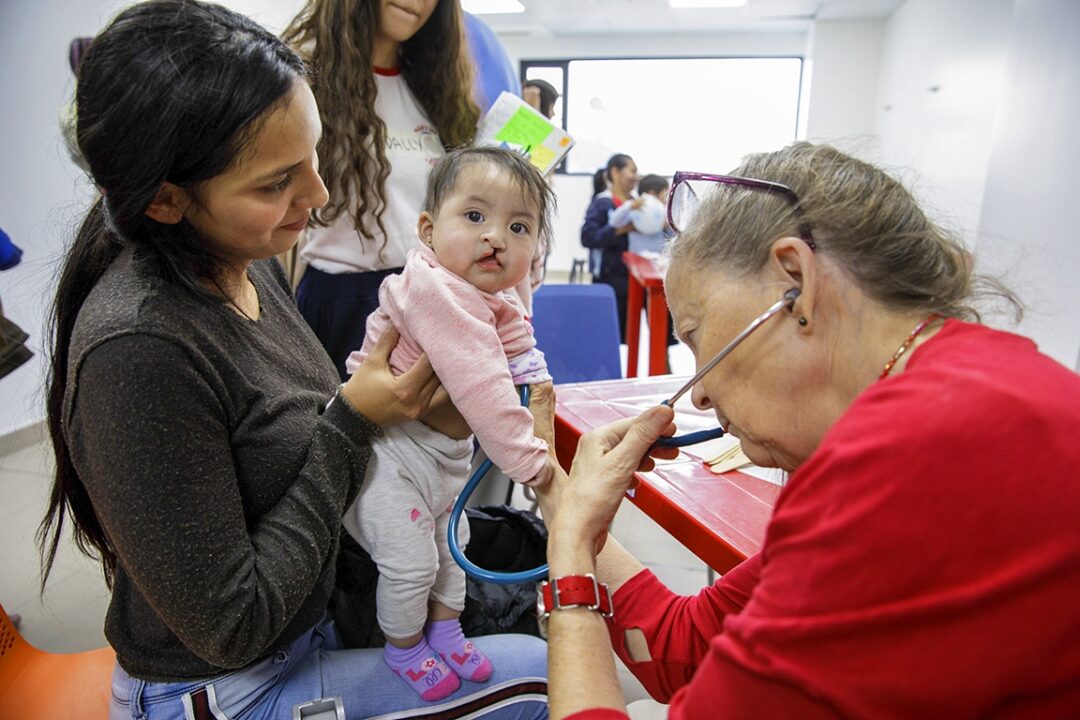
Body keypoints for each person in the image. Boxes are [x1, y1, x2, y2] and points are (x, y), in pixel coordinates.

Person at [37, 3, 548, 718]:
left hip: (310, 626)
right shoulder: (139, 351)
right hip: (233, 685)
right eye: (277, 182)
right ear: (167, 201)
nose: (320, 195)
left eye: (313, 157)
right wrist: (352, 422)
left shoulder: (247, 267)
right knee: (543, 676)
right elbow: (231, 625)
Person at [535, 142, 1080, 718]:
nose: (697, 392)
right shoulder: (968, 388)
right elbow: (682, 650)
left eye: (693, 334)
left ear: (794, 282)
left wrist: (569, 551)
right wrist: (562, 500)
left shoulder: (917, 456)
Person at [341, 146, 556, 700]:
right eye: (476, 217)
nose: (496, 238)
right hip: (386, 455)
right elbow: (484, 385)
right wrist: (533, 462)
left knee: (453, 546)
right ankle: (404, 645)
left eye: (519, 226)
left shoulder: (490, 292)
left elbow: (519, 348)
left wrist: (540, 386)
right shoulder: (436, 290)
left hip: (436, 455)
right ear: (429, 231)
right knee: (412, 564)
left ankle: (444, 628)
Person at [283, 0, 481, 381]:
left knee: (427, 439)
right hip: (344, 300)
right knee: (343, 434)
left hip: (428, 295)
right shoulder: (304, 75)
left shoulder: (435, 87)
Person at [581, 153, 638, 342]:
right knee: (608, 336)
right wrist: (618, 230)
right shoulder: (602, 203)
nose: (636, 177)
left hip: (636, 278)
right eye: (632, 170)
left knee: (631, 336)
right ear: (615, 172)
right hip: (610, 278)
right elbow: (588, 237)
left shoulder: (637, 204)